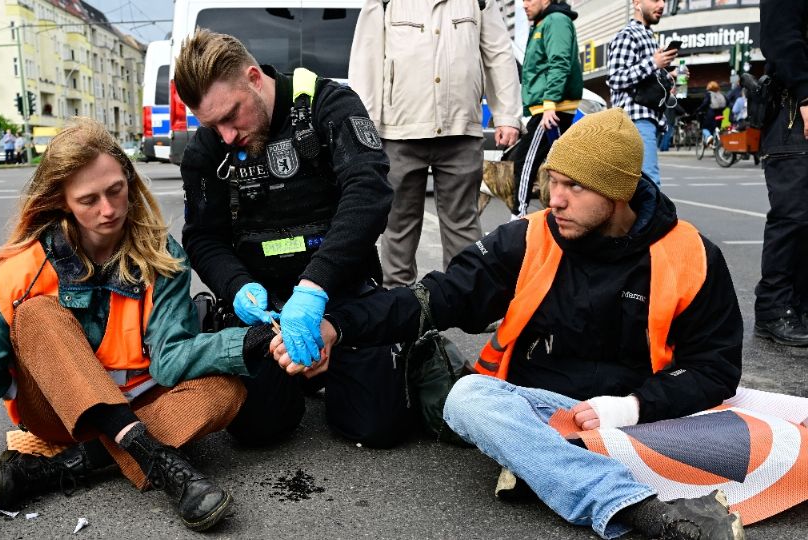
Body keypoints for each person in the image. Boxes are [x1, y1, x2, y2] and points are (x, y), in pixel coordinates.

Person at [275, 109, 745, 540]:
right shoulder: (529, 237)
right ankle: (642, 509)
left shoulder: (693, 256)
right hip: (540, 410)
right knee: (467, 399)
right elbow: (435, 297)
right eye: (552, 181)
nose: (554, 200)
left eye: (574, 187)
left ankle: (542, 466)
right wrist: (338, 327)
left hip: (641, 419)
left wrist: (630, 408)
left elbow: (716, 368)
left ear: (619, 192)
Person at [0, 118, 283, 539]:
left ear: (130, 181)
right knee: (36, 315)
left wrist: (251, 340)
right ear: (62, 200)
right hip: (58, 414)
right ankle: (151, 456)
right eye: (89, 199)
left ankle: (59, 468)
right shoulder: (24, 269)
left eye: (117, 189)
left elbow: (171, 358)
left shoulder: (161, 256)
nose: (109, 209)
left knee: (226, 392)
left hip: (142, 403)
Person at [175, 29, 411, 447]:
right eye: (213, 125)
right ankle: (288, 373)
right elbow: (202, 237)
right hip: (263, 308)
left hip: (336, 294)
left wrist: (316, 286)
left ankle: (346, 360)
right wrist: (236, 286)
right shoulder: (209, 148)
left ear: (252, 77)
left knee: (377, 426)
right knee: (258, 430)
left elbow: (368, 192)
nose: (227, 135)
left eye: (232, 116)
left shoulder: (327, 105)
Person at [348, 0, 522, 287]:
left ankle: (466, 299)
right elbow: (366, 59)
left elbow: (499, 54)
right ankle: (398, 298)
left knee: (463, 223)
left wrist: (507, 116)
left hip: (460, 127)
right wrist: (367, 127)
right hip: (399, 129)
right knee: (398, 225)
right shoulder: (383, 2)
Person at [753, 0, 808, 346]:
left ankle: (798, 306)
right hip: (794, 111)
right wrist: (806, 95)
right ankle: (774, 310)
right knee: (795, 213)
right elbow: (779, 36)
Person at [510, 0, 583, 219]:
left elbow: (559, 61)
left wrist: (549, 102)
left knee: (524, 161)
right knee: (562, 167)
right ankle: (569, 214)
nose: (524, 5)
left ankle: (519, 216)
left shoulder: (556, 21)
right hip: (548, 107)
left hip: (551, 109)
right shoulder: (543, 23)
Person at [607, 0, 675, 186]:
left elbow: (649, 84)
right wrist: (654, 63)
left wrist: (670, 76)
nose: (662, 5)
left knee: (634, 185)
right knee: (650, 183)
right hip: (636, 120)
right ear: (637, 3)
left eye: (664, 1)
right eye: (655, 0)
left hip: (646, 119)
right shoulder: (628, 35)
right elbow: (616, 78)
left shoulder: (649, 38)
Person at [696, 81, 727, 147]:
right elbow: (727, 103)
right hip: (720, 115)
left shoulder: (709, 94)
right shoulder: (721, 94)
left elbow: (705, 104)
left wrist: (698, 109)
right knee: (716, 129)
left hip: (711, 115)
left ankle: (709, 137)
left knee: (704, 128)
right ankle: (716, 143)